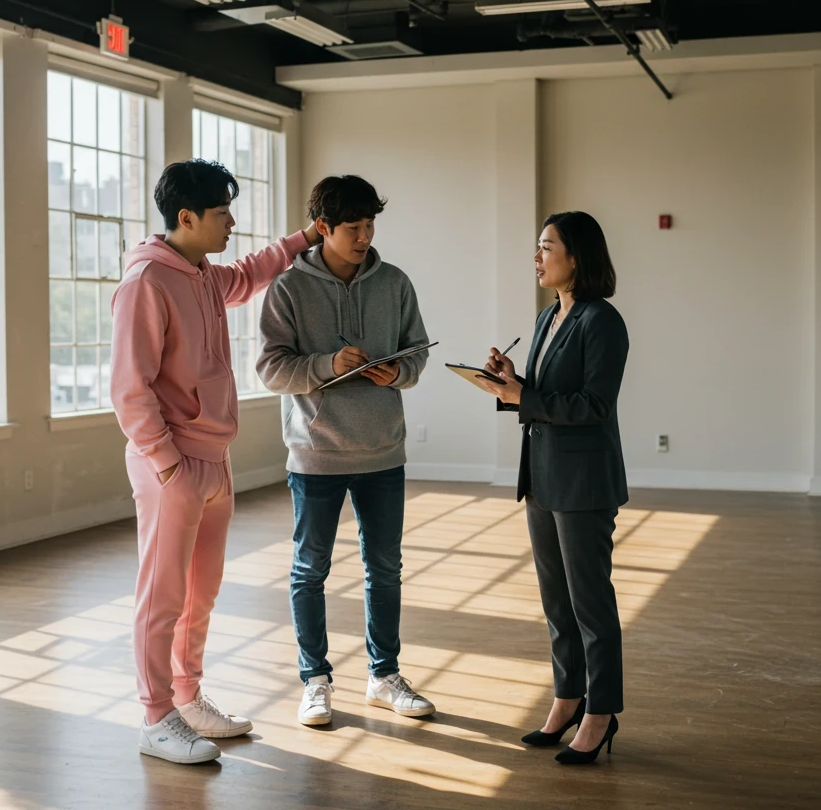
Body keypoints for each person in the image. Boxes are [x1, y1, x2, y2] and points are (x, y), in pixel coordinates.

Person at [110, 158, 321, 764]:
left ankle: (187, 697)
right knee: (162, 596)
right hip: (173, 465)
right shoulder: (146, 281)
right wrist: (167, 465)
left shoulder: (201, 273)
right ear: (187, 217)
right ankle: (156, 718)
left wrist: (307, 235)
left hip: (214, 459)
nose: (231, 223)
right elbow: (129, 388)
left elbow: (251, 273)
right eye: (222, 213)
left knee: (200, 594)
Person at [256, 175, 435, 727]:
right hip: (316, 455)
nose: (364, 237)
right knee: (309, 570)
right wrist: (326, 365)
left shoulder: (395, 282)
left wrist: (397, 372)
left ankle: (384, 676)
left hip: (383, 451)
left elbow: (417, 353)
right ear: (323, 227)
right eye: (353, 227)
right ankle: (315, 680)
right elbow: (270, 369)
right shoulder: (287, 288)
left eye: (370, 225)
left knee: (385, 569)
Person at [478, 211, 629, 765]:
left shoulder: (602, 321)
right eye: (538, 247)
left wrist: (525, 396)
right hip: (541, 476)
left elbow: (595, 405)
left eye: (546, 247)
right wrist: (510, 382)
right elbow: (543, 394)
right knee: (556, 602)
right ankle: (568, 698)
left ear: (577, 256)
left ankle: (601, 711)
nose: (537, 257)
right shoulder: (548, 317)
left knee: (590, 604)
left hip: (583, 482)